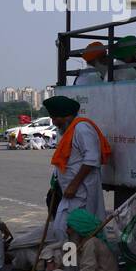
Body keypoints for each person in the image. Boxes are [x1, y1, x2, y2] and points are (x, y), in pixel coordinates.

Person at [24, 208, 125, 271]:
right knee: (59, 260)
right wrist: (51, 262)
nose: (67, 231)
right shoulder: (79, 242)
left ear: (79, 229)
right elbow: (50, 248)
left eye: (69, 227)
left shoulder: (91, 243)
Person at [45, 95, 110, 241]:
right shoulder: (69, 130)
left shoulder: (82, 128)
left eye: (56, 118)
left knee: (70, 230)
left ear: (67, 116)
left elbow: (92, 159)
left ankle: (78, 262)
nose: (54, 122)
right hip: (71, 192)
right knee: (64, 230)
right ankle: (73, 262)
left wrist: (74, 185)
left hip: (82, 192)